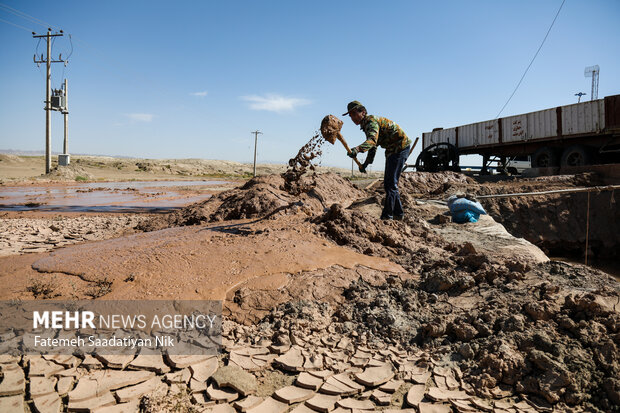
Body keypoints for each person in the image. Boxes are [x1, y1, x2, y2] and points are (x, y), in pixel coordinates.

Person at [342, 100, 411, 220]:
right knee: (391, 184)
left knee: (390, 184)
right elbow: (373, 147)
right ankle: (398, 214)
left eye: (354, 114)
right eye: (350, 115)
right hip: (392, 150)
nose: (352, 118)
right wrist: (366, 164)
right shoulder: (366, 125)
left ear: (362, 112)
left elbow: (372, 141)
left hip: (400, 148)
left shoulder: (371, 121)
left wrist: (357, 149)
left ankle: (387, 216)